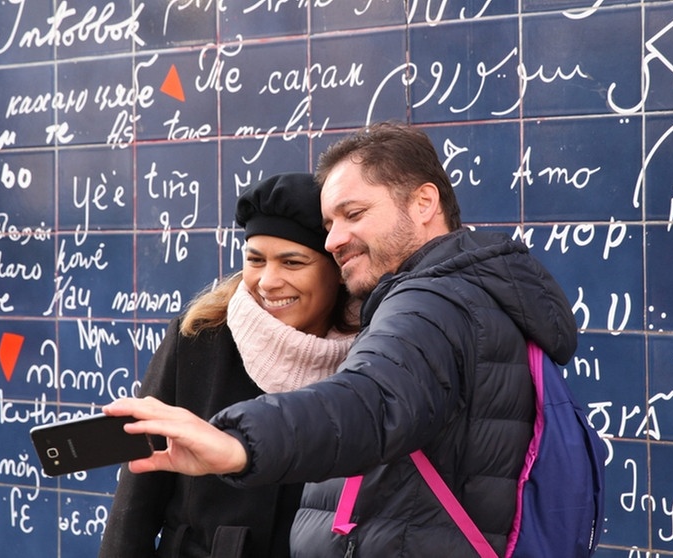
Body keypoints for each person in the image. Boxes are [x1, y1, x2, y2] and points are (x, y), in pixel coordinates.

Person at [104, 121, 579, 556]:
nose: (335, 240)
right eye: (330, 224)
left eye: (353, 214)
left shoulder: (425, 307)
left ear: (424, 203)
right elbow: (137, 501)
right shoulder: (202, 336)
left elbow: (369, 403)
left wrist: (236, 445)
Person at [98, 173, 359, 558]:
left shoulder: (370, 355)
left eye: (292, 261)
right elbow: (138, 497)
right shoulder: (199, 338)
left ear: (337, 270)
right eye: (255, 260)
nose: (269, 281)